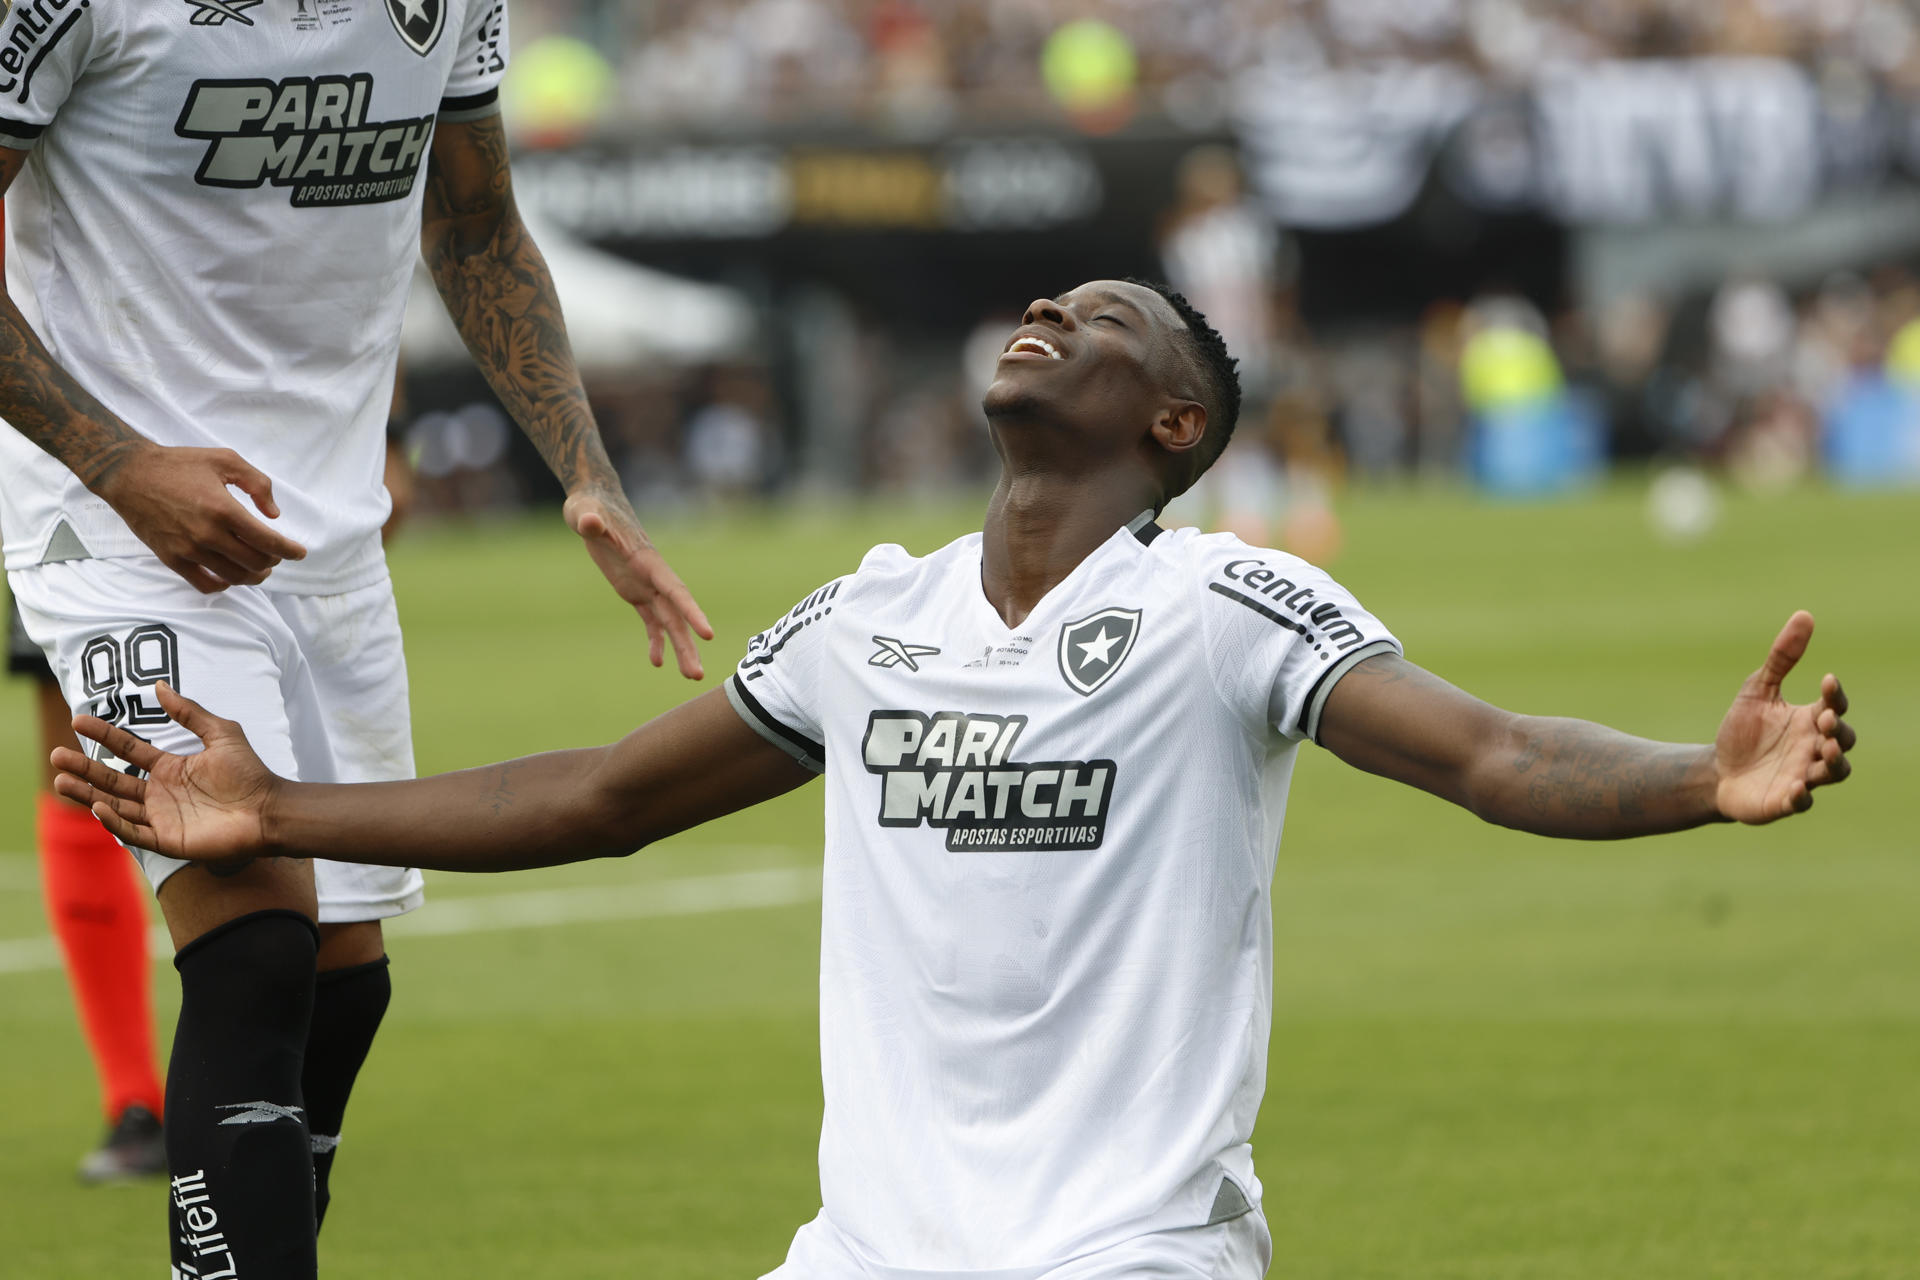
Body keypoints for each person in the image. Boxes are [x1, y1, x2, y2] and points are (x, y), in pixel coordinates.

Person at [55, 279, 1854, 1280]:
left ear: (1174, 429)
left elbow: (1496, 753)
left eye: (1111, 315)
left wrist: (1701, 778)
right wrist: (275, 811)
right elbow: (598, 797)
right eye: (1050, 300)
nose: (1051, 309)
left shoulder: (1223, 601)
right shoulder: (870, 618)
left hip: (1123, 1259)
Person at [0, 3, 710, 1275]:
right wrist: (118, 466)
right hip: (109, 521)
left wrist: (587, 472)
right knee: (257, 947)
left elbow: (477, 223)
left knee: (345, 977)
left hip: (324, 522)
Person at [7, 599, 166, 1182]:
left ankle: (266, 1094)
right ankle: (135, 1101)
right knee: (74, 768)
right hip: (61, 520)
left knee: (245, 749)